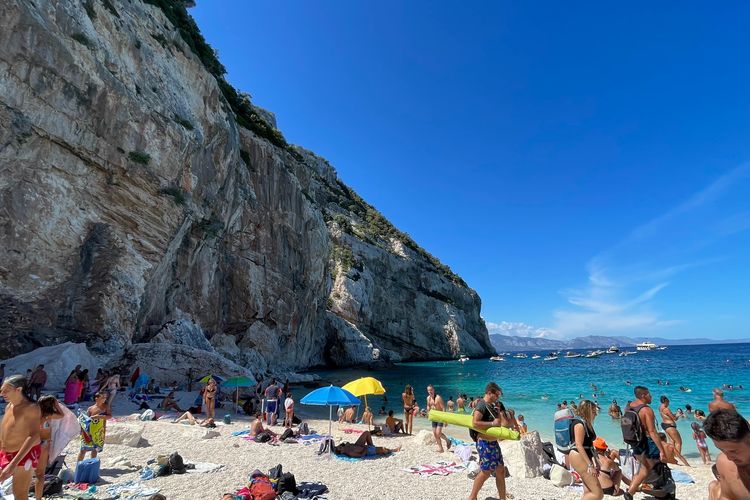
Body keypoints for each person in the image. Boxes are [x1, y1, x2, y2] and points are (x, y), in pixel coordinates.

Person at [468, 382, 514, 500]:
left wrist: (498, 411)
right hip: (484, 443)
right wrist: (491, 423)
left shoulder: (492, 406)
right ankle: (472, 497)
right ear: (489, 393)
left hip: (493, 443)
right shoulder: (482, 405)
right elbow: (475, 422)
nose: (498, 397)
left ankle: (502, 498)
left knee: (500, 470)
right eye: (497, 395)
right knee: (486, 471)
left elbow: (501, 424)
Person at [0, 375, 42, 500]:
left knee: (20, 493)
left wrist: (13, 464)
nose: (2, 393)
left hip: (24, 454)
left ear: (18, 390)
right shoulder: (9, 406)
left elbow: (34, 436)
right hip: (6, 452)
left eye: (6, 390)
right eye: (1, 390)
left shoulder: (31, 408)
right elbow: (4, 432)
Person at [623, 386, 667, 500]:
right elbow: (652, 432)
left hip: (634, 442)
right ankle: (660, 493)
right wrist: (662, 450)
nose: (651, 397)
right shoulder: (646, 410)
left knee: (644, 469)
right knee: (657, 468)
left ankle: (630, 493)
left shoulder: (629, 407)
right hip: (647, 443)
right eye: (649, 394)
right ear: (643, 395)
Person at [704, 409, 750, 500]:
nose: (729, 457)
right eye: (722, 450)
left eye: (734, 451)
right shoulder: (723, 463)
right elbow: (727, 496)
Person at [563, 400, 603, 500]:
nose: (596, 414)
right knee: (598, 493)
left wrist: (595, 462)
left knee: (589, 490)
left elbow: (589, 445)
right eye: (594, 411)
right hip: (578, 455)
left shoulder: (586, 423)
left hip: (584, 455)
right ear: (587, 411)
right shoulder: (579, 424)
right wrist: (590, 465)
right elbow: (579, 445)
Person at [35, 395, 65, 500]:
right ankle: (37, 497)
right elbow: (62, 414)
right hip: (43, 444)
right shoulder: (48, 416)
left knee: (33, 473)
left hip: (34, 443)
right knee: (40, 474)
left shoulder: (36, 415)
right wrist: (56, 404)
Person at [659, 395, 690, 466]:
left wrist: (676, 414)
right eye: (668, 401)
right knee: (679, 442)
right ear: (666, 401)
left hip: (665, 425)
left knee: (672, 441)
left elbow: (667, 416)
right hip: (670, 426)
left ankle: (671, 455)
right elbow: (674, 418)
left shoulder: (660, 408)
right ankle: (677, 457)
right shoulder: (666, 409)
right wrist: (678, 415)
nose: (669, 403)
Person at [78, 391, 108, 463]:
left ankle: (91, 464)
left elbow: (109, 416)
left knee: (95, 450)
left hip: (99, 431)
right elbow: (85, 420)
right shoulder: (90, 408)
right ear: (96, 398)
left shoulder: (106, 407)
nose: (104, 399)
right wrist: (81, 429)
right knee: (83, 450)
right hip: (88, 431)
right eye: (102, 397)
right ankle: (78, 465)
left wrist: (99, 416)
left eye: (105, 397)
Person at [333, 430, 401, 458]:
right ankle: (393, 450)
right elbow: (361, 455)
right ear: (341, 451)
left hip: (359, 445)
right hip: (368, 451)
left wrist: (347, 444)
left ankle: (372, 446)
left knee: (366, 433)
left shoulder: (346, 448)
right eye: (340, 448)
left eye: (340, 446)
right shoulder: (350, 453)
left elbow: (349, 444)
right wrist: (365, 449)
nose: (341, 446)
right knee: (383, 449)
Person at [426, 384, 451, 452]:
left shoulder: (438, 398)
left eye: (431, 390)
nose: (430, 391)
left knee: (438, 433)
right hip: (434, 417)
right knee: (435, 433)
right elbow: (428, 406)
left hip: (440, 417)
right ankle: (441, 448)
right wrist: (428, 412)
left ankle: (447, 440)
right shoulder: (428, 398)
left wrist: (445, 420)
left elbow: (443, 408)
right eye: (428, 390)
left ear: (433, 390)